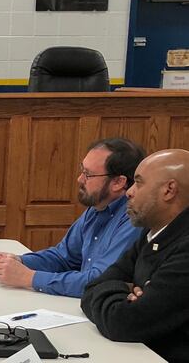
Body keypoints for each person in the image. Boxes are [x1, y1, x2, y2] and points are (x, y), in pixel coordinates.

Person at [0, 138, 145, 297]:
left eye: (88, 174)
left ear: (118, 182)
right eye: (82, 170)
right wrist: (19, 261)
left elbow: (100, 281)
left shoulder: (133, 218)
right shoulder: (97, 207)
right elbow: (63, 257)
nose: (80, 179)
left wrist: (29, 278)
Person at [81, 149, 189, 362]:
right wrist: (124, 291)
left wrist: (117, 295)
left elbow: (123, 323)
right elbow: (92, 288)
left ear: (169, 190)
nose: (129, 192)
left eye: (139, 183)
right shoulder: (153, 232)